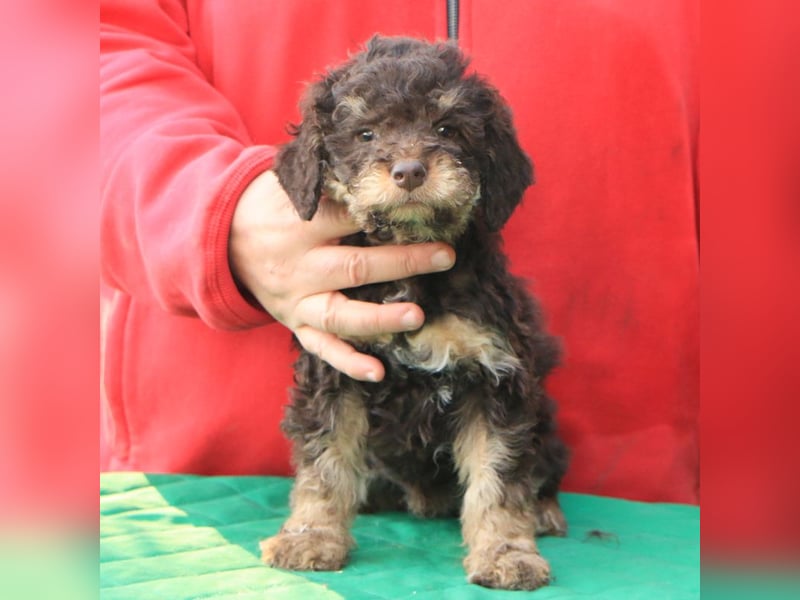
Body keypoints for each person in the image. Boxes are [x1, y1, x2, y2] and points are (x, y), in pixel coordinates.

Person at [100, 0, 698, 504]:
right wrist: (206, 210)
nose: (408, 159)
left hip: (644, 485)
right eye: (366, 135)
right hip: (220, 476)